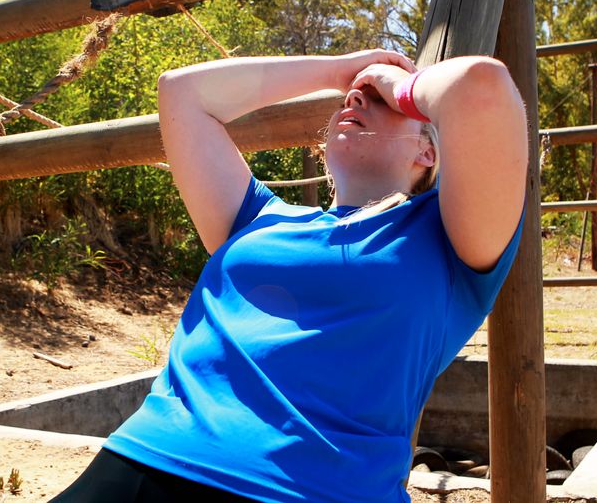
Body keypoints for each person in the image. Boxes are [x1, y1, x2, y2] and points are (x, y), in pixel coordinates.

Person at [53, 50, 528, 502]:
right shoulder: (258, 218)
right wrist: (338, 71)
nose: (357, 97)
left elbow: (480, 87)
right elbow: (182, 92)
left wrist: (396, 83)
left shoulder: (447, 241)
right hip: (147, 459)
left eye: (378, 100)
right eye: (351, 97)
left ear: (427, 152)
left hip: (317, 492)